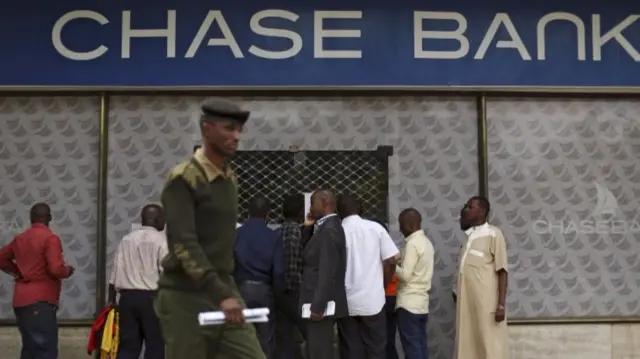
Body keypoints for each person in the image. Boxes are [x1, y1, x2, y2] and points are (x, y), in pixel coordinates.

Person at [154, 98, 265, 359]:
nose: (236, 136)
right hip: (185, 296)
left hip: (224, 288)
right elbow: (183, 244)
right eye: (228, 129)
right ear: (207, 129)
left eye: (239, 130)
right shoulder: (184, 178)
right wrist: (220, 293)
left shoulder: (229, 177)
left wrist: (226, 291)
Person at [0, 203, 75, 359]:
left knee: (29, 349)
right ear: (49, 218)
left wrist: (17, 272)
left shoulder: (20, 239)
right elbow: (56, 268)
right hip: (41, 301)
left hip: (21, 301)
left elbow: (1, 258)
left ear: (31, 219)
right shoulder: (50, 238)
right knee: (44, 350)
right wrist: (67, 271)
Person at [336, 194, 398, 359]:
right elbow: (392, 260)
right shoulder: (376, 229)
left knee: (351, 349)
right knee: (376, 349)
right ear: (360, 208)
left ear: (338, 212)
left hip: (345, 302)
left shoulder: (335, 232)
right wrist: (383, 284)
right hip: (373, 300)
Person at [108, 204, 167, 359]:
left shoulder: (126, 240)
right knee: (155, 346)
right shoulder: (162, 240)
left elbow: (116, 271)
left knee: (128, 347)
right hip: (151, 300)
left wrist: (111, 299)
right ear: (158, 219)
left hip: (127, 300)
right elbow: (166, 272)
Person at [456, 196, 508, 359]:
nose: (466, 210)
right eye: (466, 206)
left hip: (486, 303)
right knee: (468, 342)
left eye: (470, 207)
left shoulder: (494, 234)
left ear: (483, 211)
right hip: (467, 302)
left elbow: (502, 271)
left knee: (488, 342)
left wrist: (500, 305)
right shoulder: (470, 236)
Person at [234, 195, 284, 358]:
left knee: (241, 338)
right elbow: (278, 271)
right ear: (267, 213)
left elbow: (227, 264)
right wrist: (277, 295)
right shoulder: (273, 236)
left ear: (248, 212)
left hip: (241, 290)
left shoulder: (236, 235)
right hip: (264, 290)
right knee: (265, 339)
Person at [301, 189, 348, 359]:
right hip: (315, 301)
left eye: (313, 203)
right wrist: (308, 227)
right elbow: (306, 254)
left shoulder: (329, 230)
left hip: (319, 305)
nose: (310, 208)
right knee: (316, 349)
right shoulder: (323, 227)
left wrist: (318, 306)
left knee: (319, 351)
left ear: (325, 203)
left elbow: (328, 271)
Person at [395, 208, 434, 359]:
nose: (399, 229)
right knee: (420, 347)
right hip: (422, 304)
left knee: (412, 350)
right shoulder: (427, 243)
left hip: (408, 304)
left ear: (410, 225)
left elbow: (405, 275)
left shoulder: (412, 244)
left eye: (401, 224)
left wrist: (392, 265)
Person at [275, 194, 307, 359]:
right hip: (292, 291)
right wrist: (297, 291)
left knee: (285, 337)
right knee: (311, 332)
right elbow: (292, 262)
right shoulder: (294, 230)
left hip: (279, 291)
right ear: (300, 211)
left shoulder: (279, 230)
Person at [371, 220, 400, 359]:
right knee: (388, 339)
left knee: (383, 340)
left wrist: (381, 289)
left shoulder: (379, 249)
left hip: (385, 296)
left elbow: (389, 267)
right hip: (391, 296)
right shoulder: (390, 248)